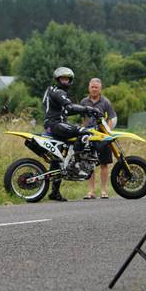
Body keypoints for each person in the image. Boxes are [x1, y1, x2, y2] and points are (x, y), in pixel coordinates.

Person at [42, 67, 103, 201]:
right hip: (55, 124)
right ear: (58, 79)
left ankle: (54, 192)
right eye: (63, 79)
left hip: (51, 125)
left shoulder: (52, 91)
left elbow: (67, 111)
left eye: (67, 79)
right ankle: (75, 165)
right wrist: (89, 109)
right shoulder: (58, 92)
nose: (65, 81)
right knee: (84, 132)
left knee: (57, 160)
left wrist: (84, 111)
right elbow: (69, 107)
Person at [80, 78, 117, 200]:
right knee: (89, 164)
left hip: (102, 136)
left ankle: (104, 190)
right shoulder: (83, 102)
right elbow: (82, 119)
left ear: (100, 89)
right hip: (89, 136)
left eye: (96, 87)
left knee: (104, 163)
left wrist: (108, 133)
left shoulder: (105, 102)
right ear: (89, 88)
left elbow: (111, 118)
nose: (94, 89)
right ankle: (91, 191)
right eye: (92, 87)